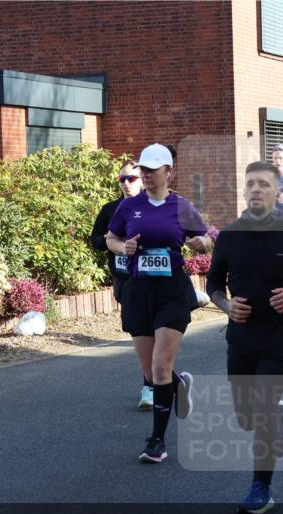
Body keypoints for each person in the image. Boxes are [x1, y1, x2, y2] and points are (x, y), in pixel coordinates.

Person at [206, 161, 283, 514]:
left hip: (282, 338)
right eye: (250, 184)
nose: (256, 189)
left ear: (278, 192)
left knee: (260, 411)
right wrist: (226, 306)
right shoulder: (229, 236)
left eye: (263, 184)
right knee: (245, 417)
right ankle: (279, 418)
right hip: (242, 337)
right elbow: (213, 284)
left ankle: (261, 487)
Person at [105, 143, 211, 463]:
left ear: (169, 172)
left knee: (160, 365)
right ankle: (178, 384)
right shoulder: (129, 207)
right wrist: (123, 247)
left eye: (153, 170)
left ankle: (157, 441)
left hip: (172, 291)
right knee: (151, 373)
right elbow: (111, 238)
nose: (147, 175)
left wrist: (199, 243)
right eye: (143, 170)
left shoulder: (181, 206)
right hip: (139, 292)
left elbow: (206, 240)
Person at [90, 160, 153, 409]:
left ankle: (150, 386)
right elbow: (95, 240)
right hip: (123, 280)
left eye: (132, 179)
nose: (126, 184)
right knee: (138, 330)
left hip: (151, 280)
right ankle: (165, 379)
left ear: (143, 180)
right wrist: (112, 240)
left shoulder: (154, 208)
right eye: (122, 179)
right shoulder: (110, 210)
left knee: (147, 330)